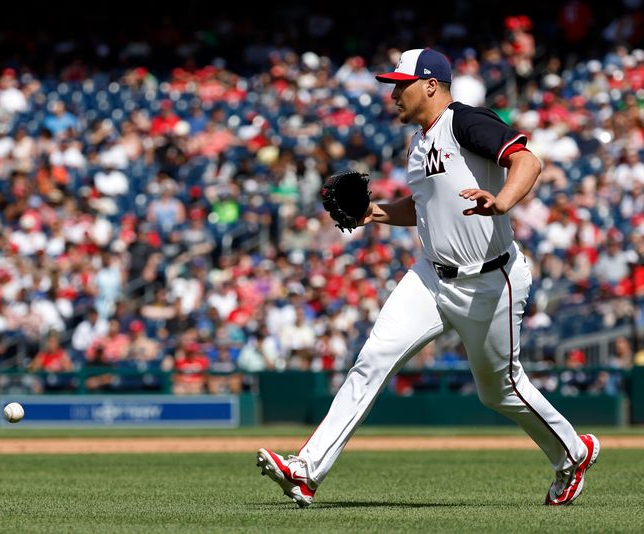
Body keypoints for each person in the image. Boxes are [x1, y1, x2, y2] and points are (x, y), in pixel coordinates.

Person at [256, 48, 600, 508]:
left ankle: (572, 454)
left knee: (500, 390)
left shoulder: (465, 121)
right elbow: (420, 208)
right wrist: (373, 213)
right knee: (373, 359)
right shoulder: (419, 144)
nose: (394, 93)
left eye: (401, 84)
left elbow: (527, 162)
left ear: (431, 85)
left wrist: (504, 201)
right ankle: (305, 470)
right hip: (431, 278)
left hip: (491, 280)